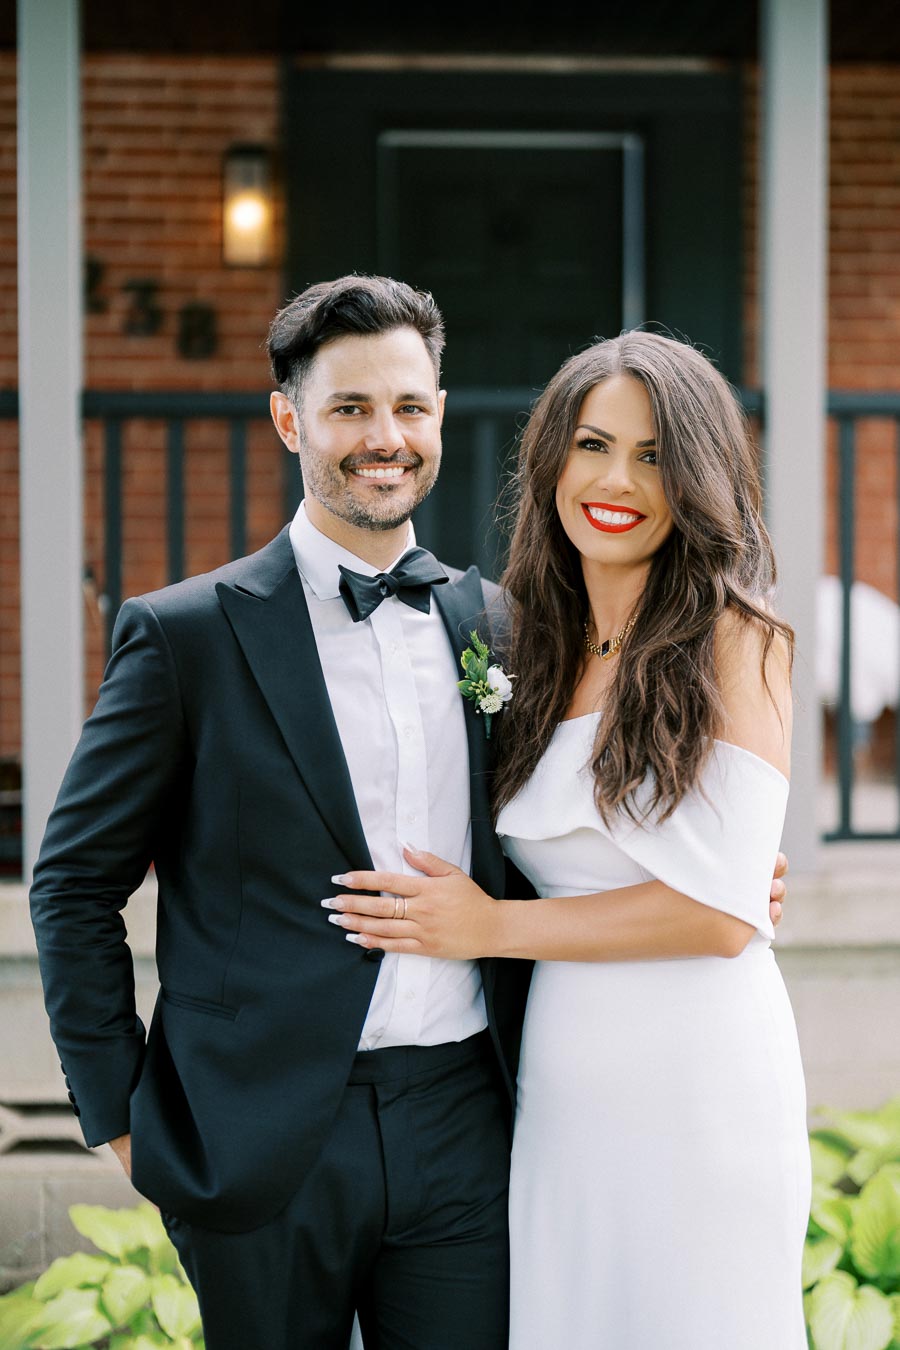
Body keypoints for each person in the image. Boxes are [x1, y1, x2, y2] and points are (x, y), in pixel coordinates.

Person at [29, 281, 789, 1350]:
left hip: (470, 1125)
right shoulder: (184, 636)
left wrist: (724, 871)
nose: (384, 438)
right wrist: (118, 1115)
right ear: (292, 419)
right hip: (258, 1134)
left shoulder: (508, 628)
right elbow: (70, 885)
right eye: (349, 409)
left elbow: (584, 814)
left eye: (409, 407)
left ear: (437, 415)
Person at [326, 331, 810, 1348]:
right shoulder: (523, 640)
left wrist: (489, 926)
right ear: (552, 460)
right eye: (593, 445)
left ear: (699, 478)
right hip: (560, 1083)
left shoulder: (738, 636)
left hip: (699, 1080)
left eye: (652, 455)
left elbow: (720, 918)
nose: (617, 481)